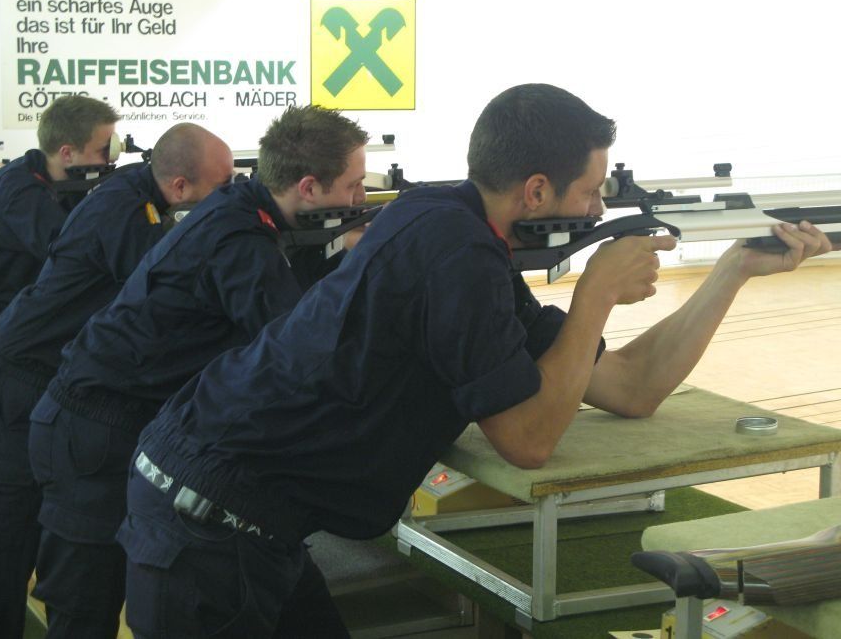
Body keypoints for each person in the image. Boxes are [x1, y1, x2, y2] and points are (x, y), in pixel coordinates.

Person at [115, 83, 836, 638]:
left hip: (235, 517)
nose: (596, 210)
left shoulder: (457, 233)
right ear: (536, 191)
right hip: (210, 525)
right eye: (592, 191)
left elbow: (630, 387)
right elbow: (527, 440)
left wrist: (732, 271)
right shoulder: (455, 250)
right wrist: (594, 296)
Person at [26, 104, 368, 638]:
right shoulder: (240, 240)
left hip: (120, 428)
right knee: (85, 611)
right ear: (307, 188)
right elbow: (297, 351)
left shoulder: (240, 210)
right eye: (354, 186)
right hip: (95, 430)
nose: (360, 199)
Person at [0, 123, 231, 639]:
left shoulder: (133, 197)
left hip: (39, 382)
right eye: (222, 187)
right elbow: (166, 293)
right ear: (178, 185)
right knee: (4, 550)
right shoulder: (126, 212)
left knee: (28, 550)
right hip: (20, 383)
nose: (228, 199)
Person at [0, 95, 119, 618]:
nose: (109, 160)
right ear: (67, 152)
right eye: (103, 149)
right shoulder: (22, 195)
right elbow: (71, 256)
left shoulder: (43, 181)